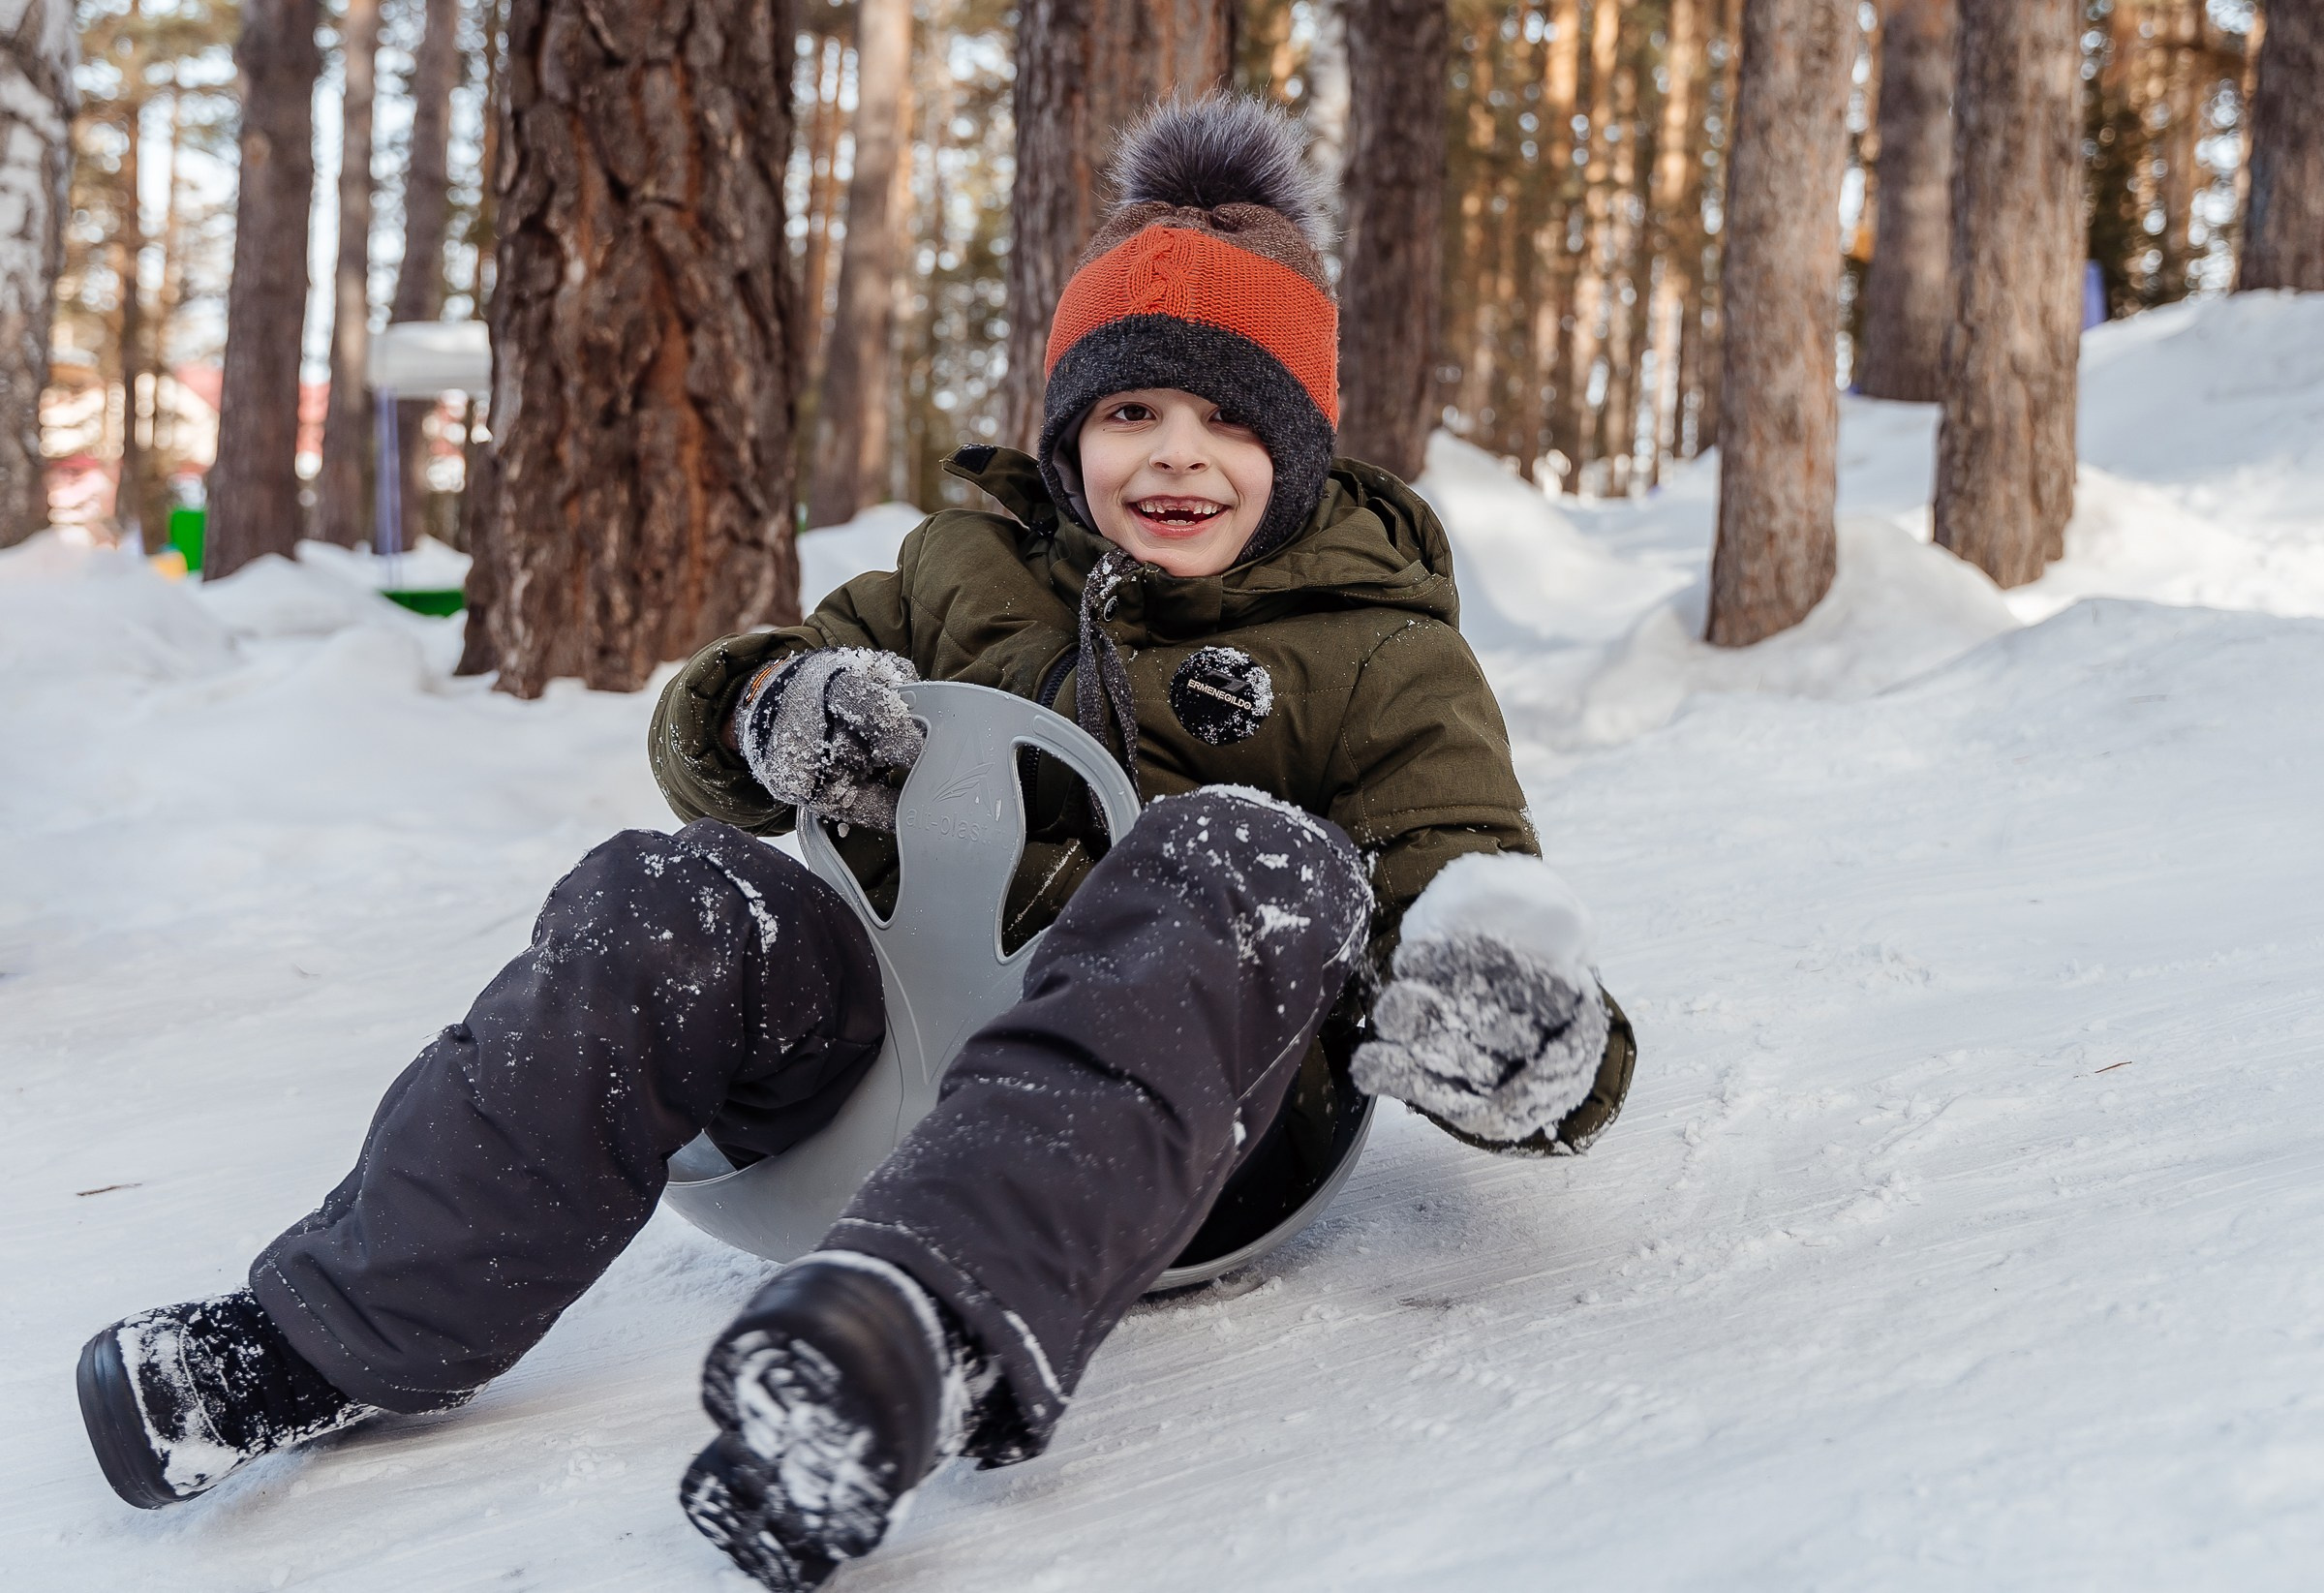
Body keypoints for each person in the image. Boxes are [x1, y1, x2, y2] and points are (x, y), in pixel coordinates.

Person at [75, 96, 1636, 1590]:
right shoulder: (968, 568)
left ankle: (900, 1349)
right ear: (1067, 427)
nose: (1175, 456)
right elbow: (732, 713)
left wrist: (1519, 1028)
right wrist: (777, 709)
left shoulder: (1376, 643)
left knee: (1249, 852)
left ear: (1299, 449)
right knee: (670, 898)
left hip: (1184, 1136)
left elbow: (1470, 873)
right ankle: (313, 1339)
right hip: (894, 1062)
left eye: (1232, 420)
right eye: (1132, 410)